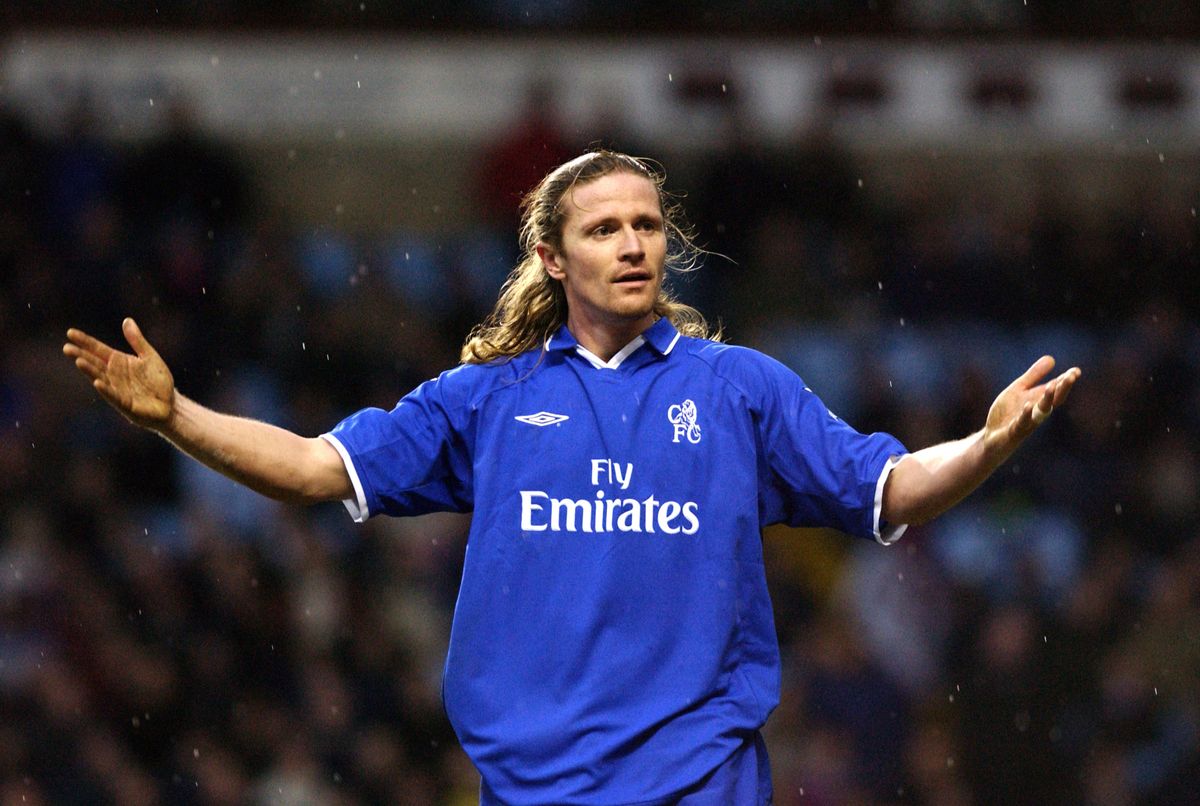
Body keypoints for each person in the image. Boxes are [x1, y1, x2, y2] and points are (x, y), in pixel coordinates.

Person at [64, 150, 1081, 805]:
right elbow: (311, 469)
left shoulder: (740, 389)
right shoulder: (485, 400)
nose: (635, 243)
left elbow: (890, 486)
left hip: (701, 779)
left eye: (647, 225)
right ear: (553, 257)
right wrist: (177, 415)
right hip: (533, 783)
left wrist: (985, 446)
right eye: (605, 228)